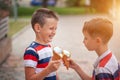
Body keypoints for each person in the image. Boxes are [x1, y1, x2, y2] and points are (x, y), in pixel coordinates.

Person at [23, 8, 61, 80]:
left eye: (55, 28)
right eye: (51, 28)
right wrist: (48, 70)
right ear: (38, 28)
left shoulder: (48, 47)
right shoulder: (31, 51)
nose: (54, 32)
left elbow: (54, 72)